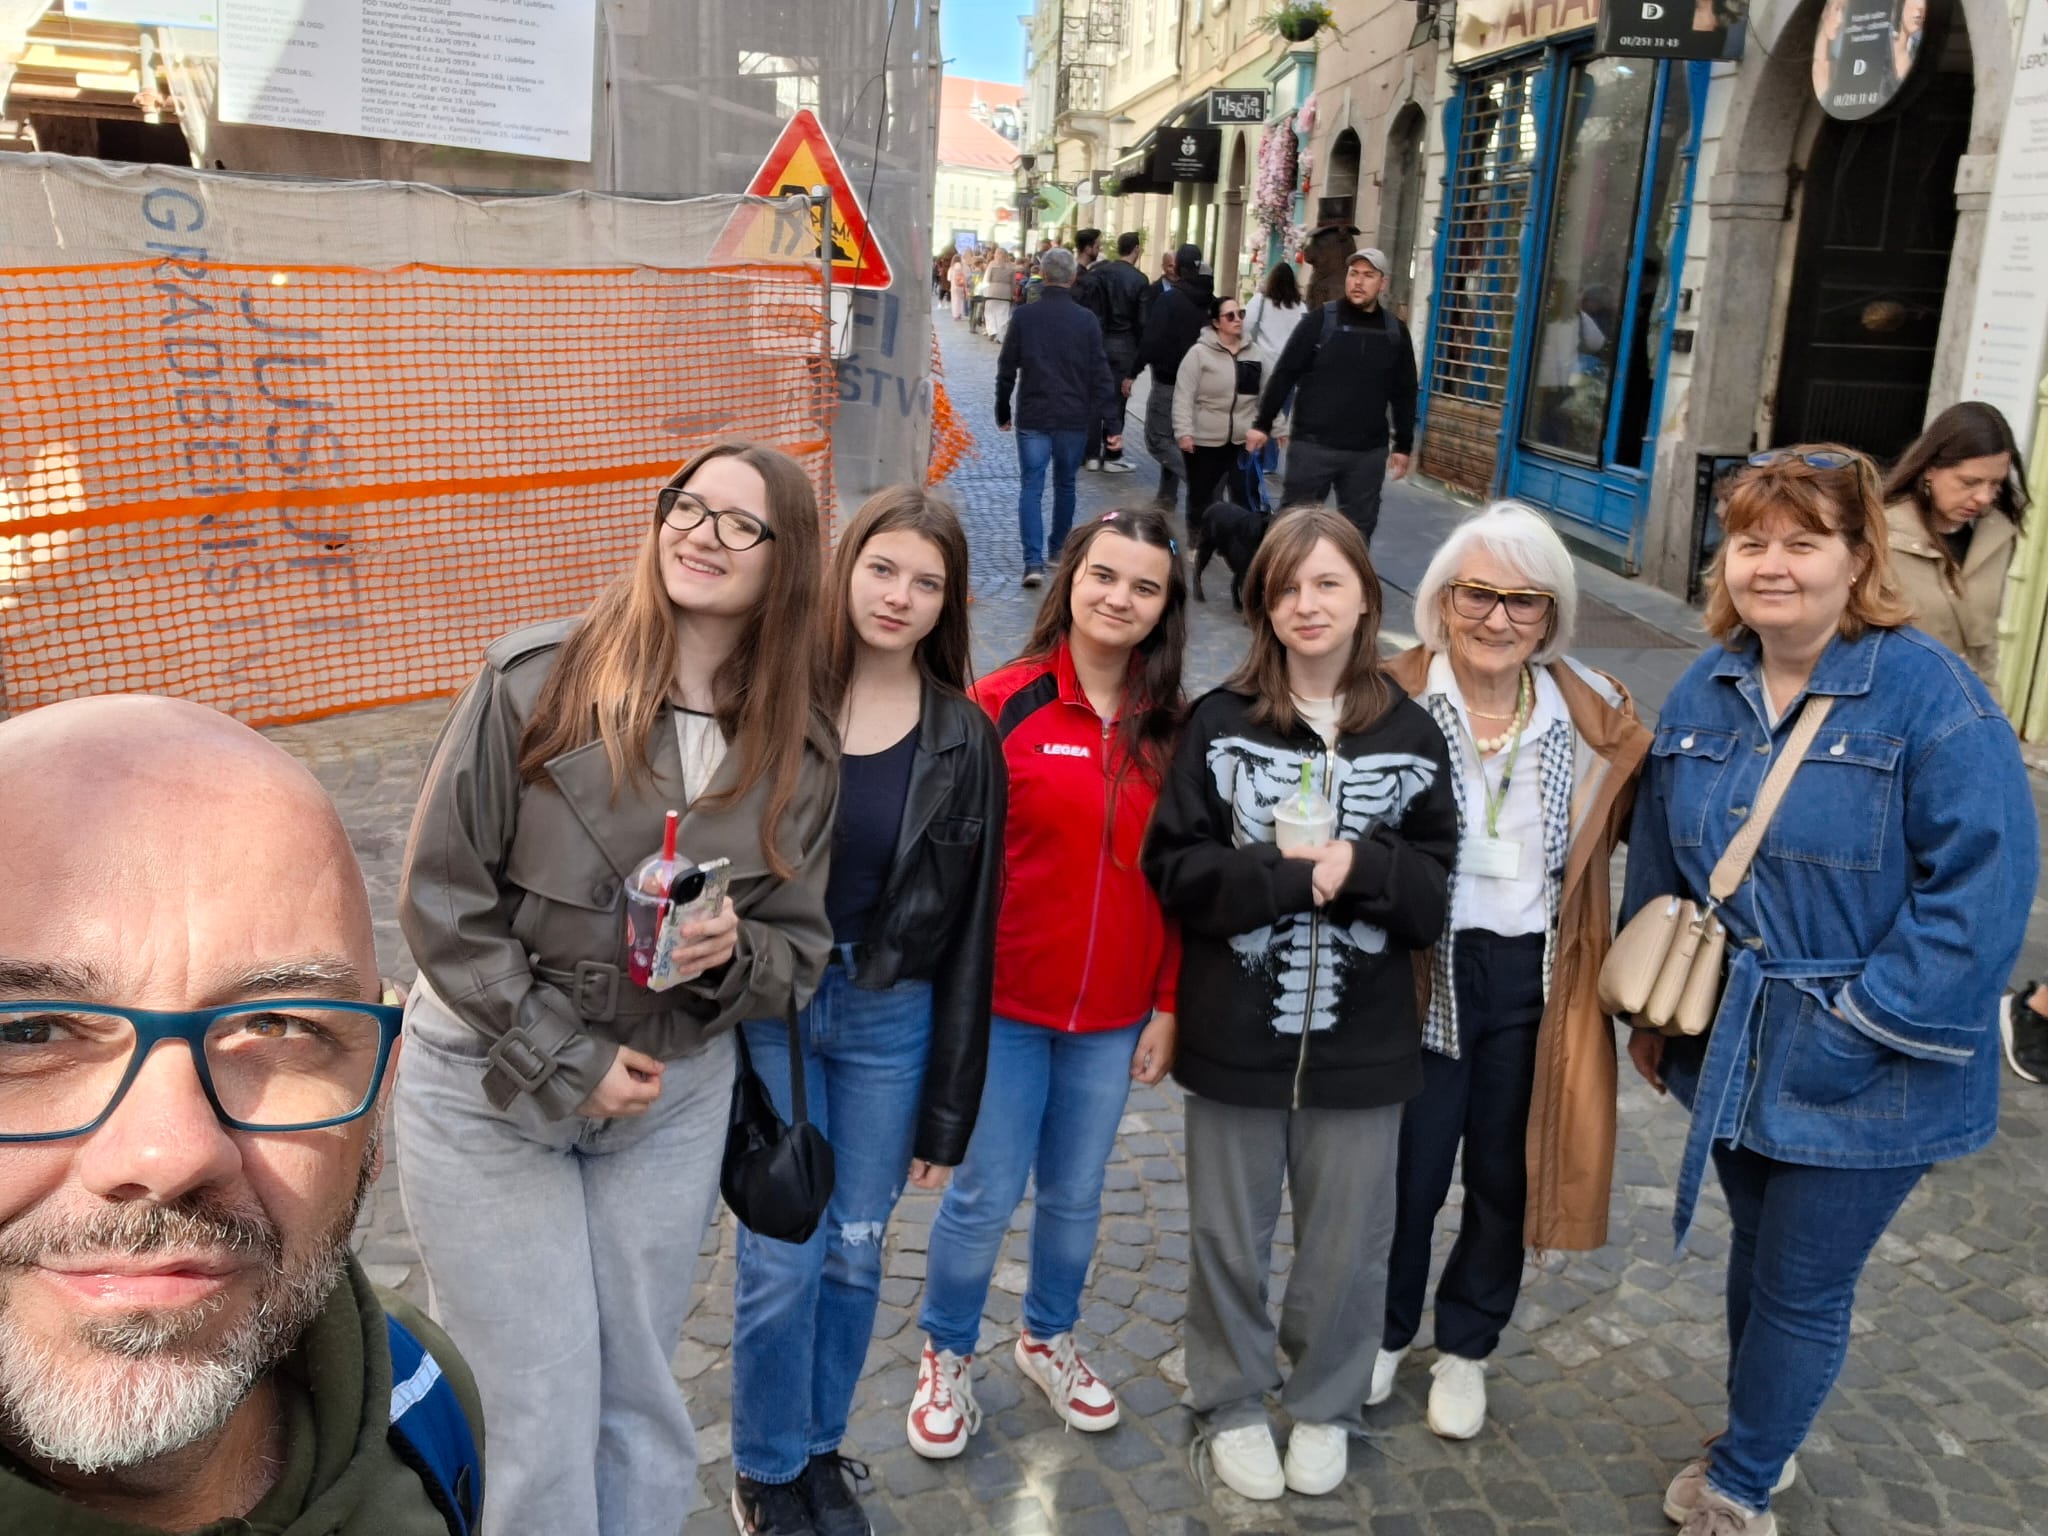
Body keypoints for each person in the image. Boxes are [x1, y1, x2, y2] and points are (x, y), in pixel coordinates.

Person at [396, 442, 838, 1536]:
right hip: (492, 1084)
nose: (702, 534)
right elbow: (442, 897)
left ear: (785, 560)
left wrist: (732, 950)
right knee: (532, 1403)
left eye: (740, 523)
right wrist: (564, 1055)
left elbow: (799, 949)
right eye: (688, 506)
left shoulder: (799, 746)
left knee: (640, 1392)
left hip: (669, 1097)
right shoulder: (535, 681)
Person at [1623, 447, 2036, 1536]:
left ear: (1858, 558)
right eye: (1750, 541)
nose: (1771, 565)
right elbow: (1662, 853)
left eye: (1803, 543)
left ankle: (1741, 1486)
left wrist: (1859, 1028)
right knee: (1759, 1253)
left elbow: (1981, 894)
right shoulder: (1708, 684)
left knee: (1803, 1279)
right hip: (1730, 1035)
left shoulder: (1932, 697)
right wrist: (1652, 1015)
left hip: (1870, 1059)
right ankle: (1760, 1431)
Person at [0, 695, 484, 1535]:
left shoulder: (423, 1400)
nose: (168, 1153)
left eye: (276, 1026)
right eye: (29, 1032)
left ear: (378, 1095)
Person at [1142, 505, 1458, 1502]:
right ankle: (1231, 1397)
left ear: (1366, 597)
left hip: (1364, 1045)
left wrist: (1358, 868)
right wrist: (1284, 878)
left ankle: (1326, 1401)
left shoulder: (1412, 733)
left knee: (1348, 1244)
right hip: (1234, 1036)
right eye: (1286, 588)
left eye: (1327, 584)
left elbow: (1430, 898)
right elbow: (1175, 868)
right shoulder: (1219, 722)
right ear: (1262, 605)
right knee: (1224, 1237)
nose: (1306, 605)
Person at [729, 488, 1004, 1536]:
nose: (899, 596)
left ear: (948, 603)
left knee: (853, 1247)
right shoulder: (775, 695)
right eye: (882, 569)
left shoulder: (963, 739)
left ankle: (818, 1452)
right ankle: (764, 1470)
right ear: (845, 571)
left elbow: (972, 931)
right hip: (777, 1009)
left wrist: (949, 1117)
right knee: (780, 1253)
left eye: (926, 582)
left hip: (893, 1017)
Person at [905, 506, 1186, 1460]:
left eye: (1145, 587)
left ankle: (1047, 1337)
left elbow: (1180, 882)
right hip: (1005, 1011)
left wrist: (1169, 1004)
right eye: (1104, 575)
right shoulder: (1000, 705)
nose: (1120, 599)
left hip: (1112, 1018)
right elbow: (950, 869)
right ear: (1071, 580)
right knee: (983, 1194)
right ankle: (946, 1354)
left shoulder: (1175, 730)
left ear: (1165, 607)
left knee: (1075, 1193)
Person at [1375, 504, 1651, 1440]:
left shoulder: (1592, 713)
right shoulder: (1389, 699)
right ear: (1442, 601)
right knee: (1406, 1171)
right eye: (1477, 595)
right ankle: (1384, 1329)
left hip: (1534, 977)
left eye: (1523, 601)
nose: (1497, 619)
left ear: (1551, 615)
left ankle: (1467, 1347)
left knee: (1505, 1172)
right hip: (1420, 969)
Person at [1879, 403, 2044, 1083]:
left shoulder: (1997, 534)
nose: (1983, 496)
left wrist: (1998, 736)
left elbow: (1986, 647)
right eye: (1970, 481)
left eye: (1995, 483)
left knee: (1969, 882)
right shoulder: (1875, 531)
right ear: (1930, 469)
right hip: (1891, 734)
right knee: (1892, 883)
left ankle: (1942, 1015)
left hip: (1971, 733)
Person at [1248, 246, 1418, 546]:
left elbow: (1404, 392)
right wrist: (1262, 424)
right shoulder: (1319, 321)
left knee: (1357, 534)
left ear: (1383, 283)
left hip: (1366, 455)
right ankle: (1282, 575)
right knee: (1293, 529)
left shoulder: (1395, 333)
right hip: (1313, 448)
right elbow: (1285, 373)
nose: (1358, 282)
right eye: (1354, 274)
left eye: (1368, 275)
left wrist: (1403, 445)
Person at [995, 245, 1125, 588]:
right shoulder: (1086, 320)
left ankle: (1032, 563)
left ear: (1043, 274)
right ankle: (1058, 550)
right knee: (1066, 485)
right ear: (1073, 277)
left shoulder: (1025, 317)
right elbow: (1100, 375)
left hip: (1034, 414)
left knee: (1031, 486)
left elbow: (1007, 367)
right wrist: (1112, 425)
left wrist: (1002, 408)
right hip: (1072, 415)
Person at [1172, 291, 1262, 537]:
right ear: (1216, 322)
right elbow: (1183, 395)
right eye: (1230, 315)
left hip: (1242, 439)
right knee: (1201, 497)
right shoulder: (1198, 354)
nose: (1237, 319)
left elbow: (1267, 392)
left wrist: (1276, 426)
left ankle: (1243, 543)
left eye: (1240, 313)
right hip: (1205, 439)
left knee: (1244, 495)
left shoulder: (1254, 353)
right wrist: (1184, 432)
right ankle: (1197, 542)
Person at [1134, 244, 1215, 511]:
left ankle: (1202, 485)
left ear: (1179, 267)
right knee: (1177, 437)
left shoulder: (1170, 300)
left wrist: (1133, 372)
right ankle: (1166, 497)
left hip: (1170, 381)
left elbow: (1151, 339)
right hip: (1201, 382)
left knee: (1158, 440)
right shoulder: (1211, 301)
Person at [1085, 232, 1151, 475]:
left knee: (1095, 399)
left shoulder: (1100, 273)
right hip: (1125, 345)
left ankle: (1091, 455)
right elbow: (1142, 322)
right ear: (1136, 249)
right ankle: (1112, 454)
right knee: (1118, 400)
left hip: (1100, 341)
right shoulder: (1139, 279)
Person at [1242, 262, 1308, 473]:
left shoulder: (1260, 301)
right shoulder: (1301, 307)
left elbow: (1245, 325)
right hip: (1289, 368)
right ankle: (1270, 461)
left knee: (1260, 410)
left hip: (1263, 364)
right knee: (1281, 414)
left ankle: (1254, 453)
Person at [984, 247, 1018, 345]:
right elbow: (1013, 283)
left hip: (992, 291)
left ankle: (992, 331)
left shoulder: (992, 264)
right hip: (1005, 293)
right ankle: (1001, 336)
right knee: (1002, 315)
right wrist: (1012, 293)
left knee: (989, 313)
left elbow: (987, 279)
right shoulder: (1011, 267)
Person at [948, 253, 969, 321]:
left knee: (954, 300)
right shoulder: (962, 267)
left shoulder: (951, 268)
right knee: (961, 300)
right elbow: (966, 276)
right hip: (961, 286)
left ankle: (955, 315)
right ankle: (960, 314)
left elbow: (948, 278)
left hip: (953, 287)